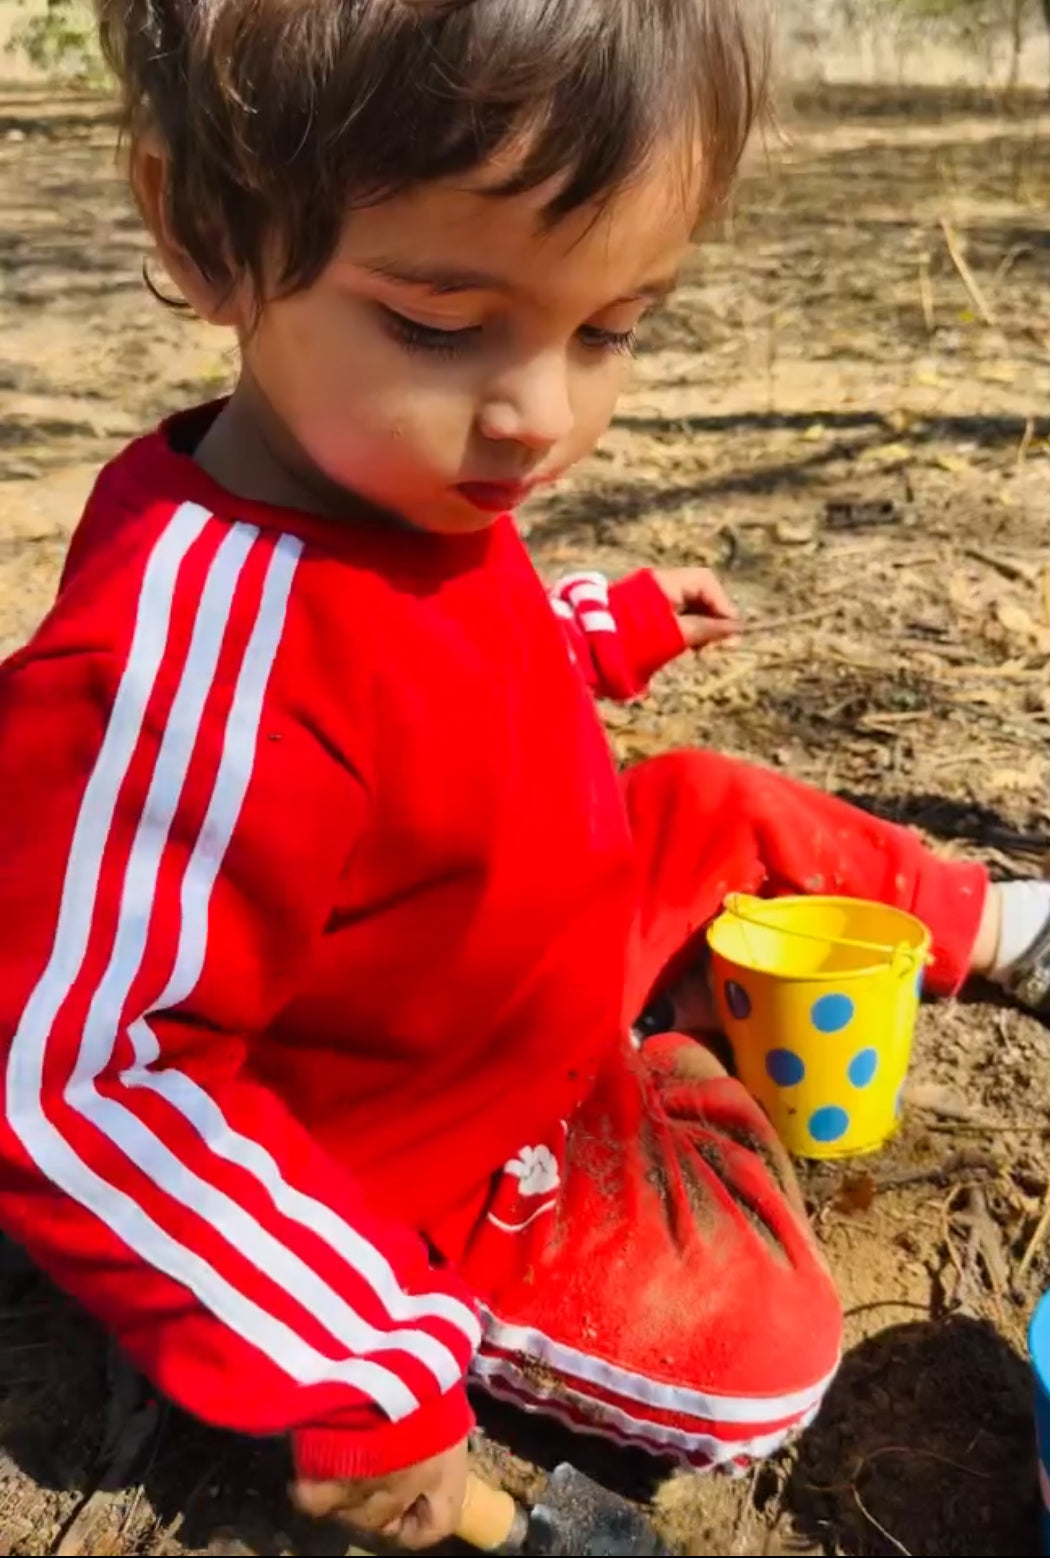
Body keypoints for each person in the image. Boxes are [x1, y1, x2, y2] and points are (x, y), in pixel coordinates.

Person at [0, 0, 1046, 1549]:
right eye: (438, 322)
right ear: (208, 227)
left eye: (611, 328)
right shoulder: (175, 673)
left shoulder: (390, 466)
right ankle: (669, 1073)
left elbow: (442, 678)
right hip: (425, 1141)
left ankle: (993, 924)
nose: (540, 415)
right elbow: (80, 1078)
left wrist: (593, 631)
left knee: (704, 800)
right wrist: (360, 1374)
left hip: (517, 933)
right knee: (755, 1357)